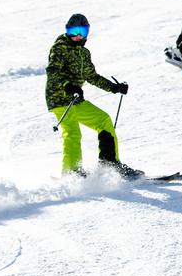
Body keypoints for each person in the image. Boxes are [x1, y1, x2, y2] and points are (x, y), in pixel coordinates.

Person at [45, 13, 143, 178]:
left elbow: (92, 77)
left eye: (81, 32)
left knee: (103, 120)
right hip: (59, 98)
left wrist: (114, 87)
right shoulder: (60, 48)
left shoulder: (84, 54)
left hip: (76, 99)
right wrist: (67, 86)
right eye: (73, 31)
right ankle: (72, 172)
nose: (77, 36)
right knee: (72, 132)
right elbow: (53, 71)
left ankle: (110, 163)